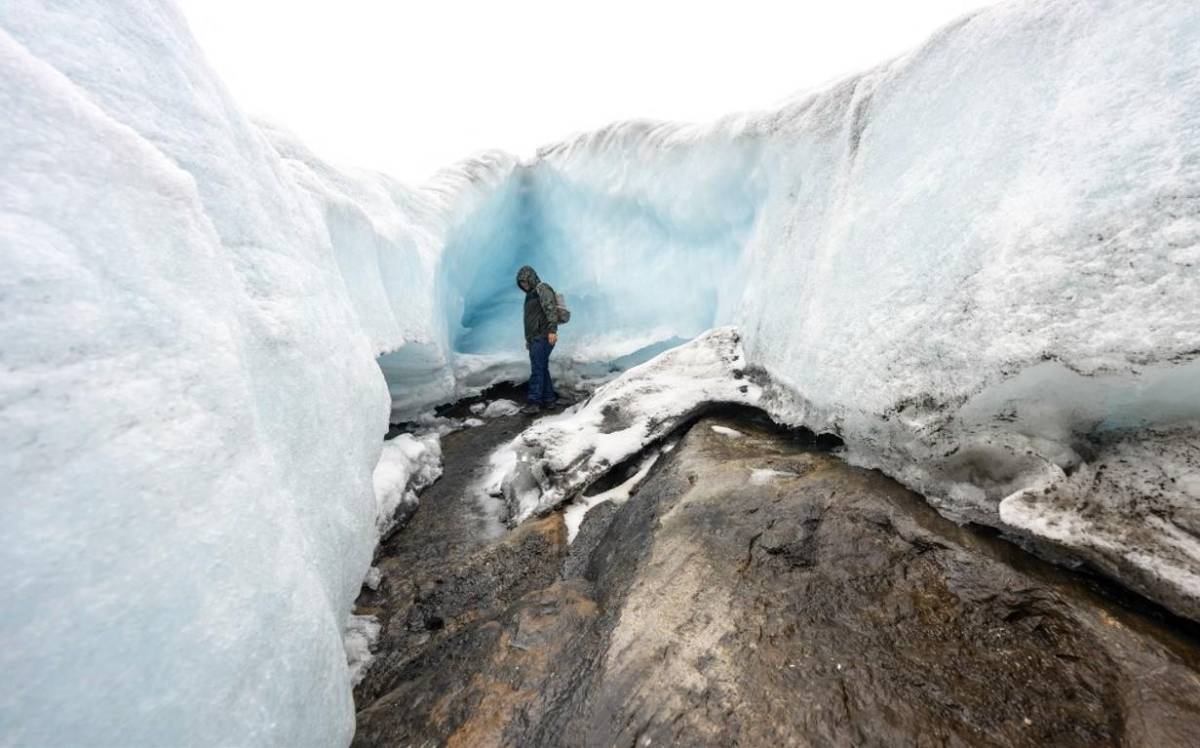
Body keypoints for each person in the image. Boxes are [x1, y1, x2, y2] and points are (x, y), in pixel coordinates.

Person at [516, 265, 559, 411]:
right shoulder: (530, 295)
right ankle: (549, 399)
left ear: (532, 278)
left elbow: (551, 308)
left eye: (526, 281)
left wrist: (552, 330)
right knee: (542, 368)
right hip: (535, 338)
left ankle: (534, 402)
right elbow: (530, 320)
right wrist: (528, 340)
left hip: (543, 336)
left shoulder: (542, 288)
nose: (524, 285)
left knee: (537, 369)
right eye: (521, 283)